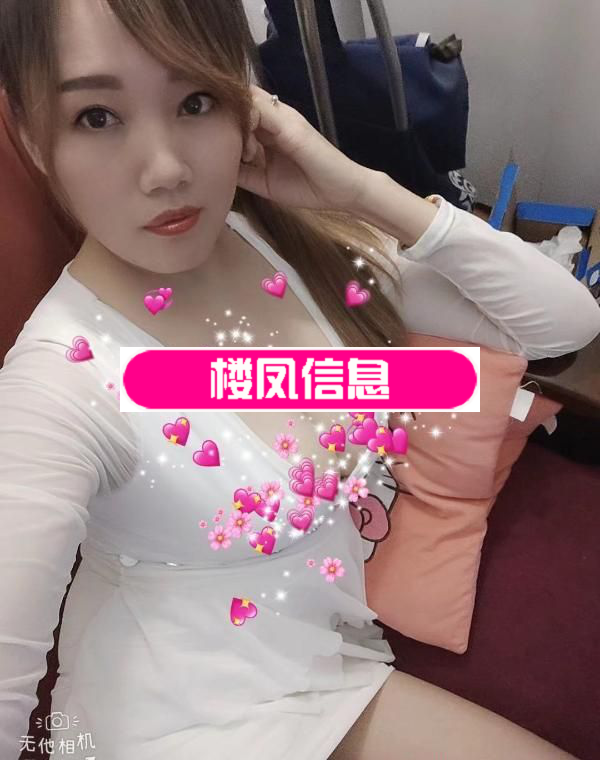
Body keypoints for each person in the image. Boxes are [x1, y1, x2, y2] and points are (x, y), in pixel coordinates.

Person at [0, 1, 598, 759]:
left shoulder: (281, 241)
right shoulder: (58, 383)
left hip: (319, 662)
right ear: (32, 136)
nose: (167, 168)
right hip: (173, 723)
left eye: (195, 100)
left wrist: (360, 189)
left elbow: (561, 324)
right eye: (96, 117)